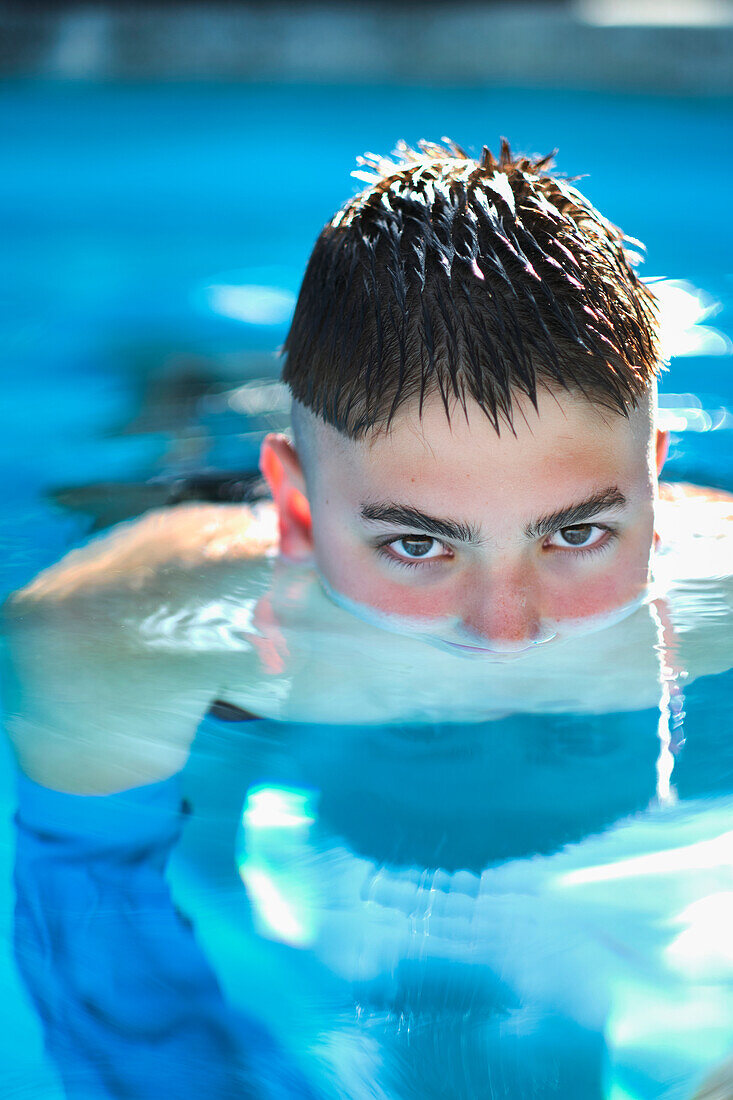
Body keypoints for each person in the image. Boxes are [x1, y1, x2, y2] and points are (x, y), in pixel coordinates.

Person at [3, 140, 732, 1098]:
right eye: (420, 547)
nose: (503, 629)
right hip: (206, 505)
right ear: (297, 512)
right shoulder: (115, 640)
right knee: (154, 450)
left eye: (576, 533)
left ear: (654, 478)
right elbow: (115, 966)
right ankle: (185, 392)